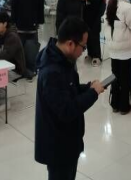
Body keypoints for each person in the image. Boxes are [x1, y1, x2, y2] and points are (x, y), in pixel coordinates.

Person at [34, 16, 105, 180]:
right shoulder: (52, 72)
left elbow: (69, 89)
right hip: (58, 147)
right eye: (83, 47)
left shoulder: (63, 60)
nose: (84, 51)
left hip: (68, 141)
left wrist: (88, 87)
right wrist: (93, 94)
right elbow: (67, 110)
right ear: (70, 44)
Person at [103, 0, 131, 115]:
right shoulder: (127, 7)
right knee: (125, 78)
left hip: (113, 48)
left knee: (115, 76)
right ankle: (124, 106)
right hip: (125, 49)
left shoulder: (110, 4)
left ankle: (115, 104)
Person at [10, 0, 44, 74]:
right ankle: (32, 69)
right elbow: (40, 7)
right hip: (33, 25)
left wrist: (13, 22)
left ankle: (21, 68)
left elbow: (14, 7)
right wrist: (39, 21)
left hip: (20, 25)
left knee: (20, 48)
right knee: (32, 47)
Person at [79, 0, 105, 67]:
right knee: (88, 34)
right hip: (87, 12)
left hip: (96, 13)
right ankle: (90, 54)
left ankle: (97, 56)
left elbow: (98, 0)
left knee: (94, 34)